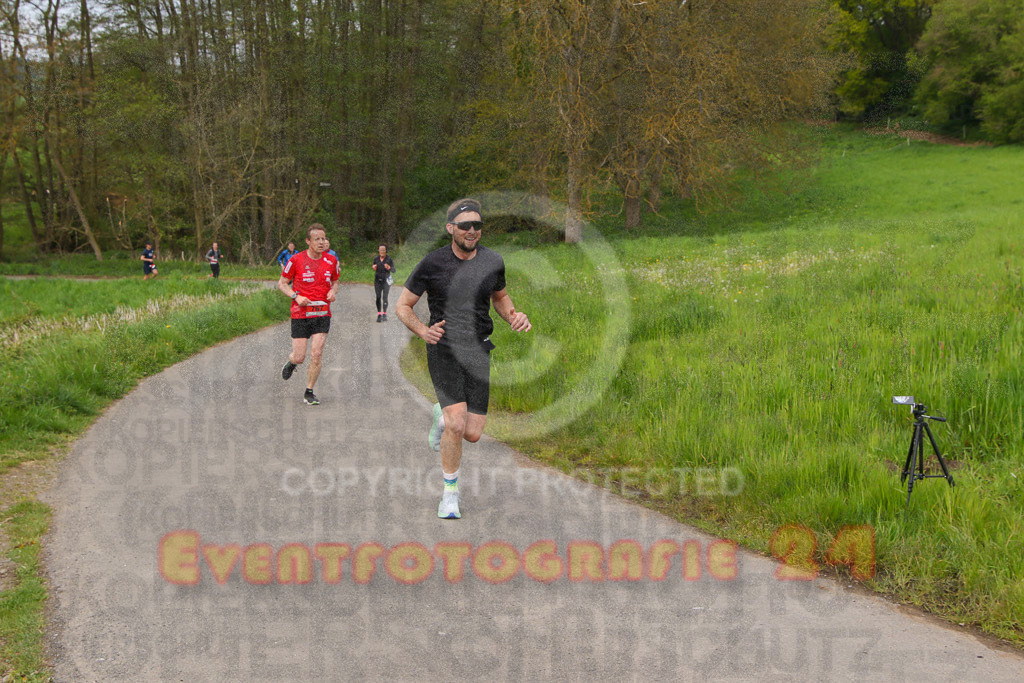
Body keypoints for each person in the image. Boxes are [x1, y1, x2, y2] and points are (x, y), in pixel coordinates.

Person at [395, 198, 531, 519]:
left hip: (479, 348)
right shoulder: (432, 264)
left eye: (477, 225)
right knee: (458, 425)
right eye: (465, 225)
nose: (472, 231)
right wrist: (422, 330)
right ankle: (450, 496)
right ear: (450, 228)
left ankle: (440, 416)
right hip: (443, 348)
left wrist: (513, 316)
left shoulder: (493, 261)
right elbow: (403, 306)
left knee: (472, 433)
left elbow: (500, 297)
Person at [277, 224, 340, 406]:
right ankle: (292, 363)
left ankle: (309, 391)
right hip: (300, 314)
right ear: (308, 241)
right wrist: (296, 296)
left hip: (322, 314)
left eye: (323, 238)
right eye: (317, 239)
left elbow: (335, 281)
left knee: (317, 353)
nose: (321, 242)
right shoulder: (296, 260)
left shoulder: (331, 260)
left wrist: (333, 292)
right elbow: (282, 284)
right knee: (299, 357)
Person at [372, 244, 395, 322]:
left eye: (383, 250)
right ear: (378, 251)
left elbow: (394, 270)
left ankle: (384, 313)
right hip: (377, 280)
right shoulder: (376, 259)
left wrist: (389, 267)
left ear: (386, 251)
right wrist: (374, 267)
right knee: (378, 297)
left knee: (385, 297)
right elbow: (374, 266)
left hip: (386, 281)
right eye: (380, 250)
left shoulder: (389, 259)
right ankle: (379, 314)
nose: (382, 251)